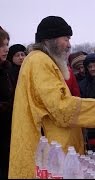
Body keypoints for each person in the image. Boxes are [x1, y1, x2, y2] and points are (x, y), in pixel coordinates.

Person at [8, 16, 95, 178]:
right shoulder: (39, 62)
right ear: (49, 40)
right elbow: (60, 107)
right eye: (66, 39)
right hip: (46, 156)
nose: (69, 45)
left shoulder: (42, 60)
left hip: (50, 152)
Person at [0, 27, 13, 179]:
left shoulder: (6, 70)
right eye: (2, 45)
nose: (6, 49)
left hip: (6, 134)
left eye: (7, 44)